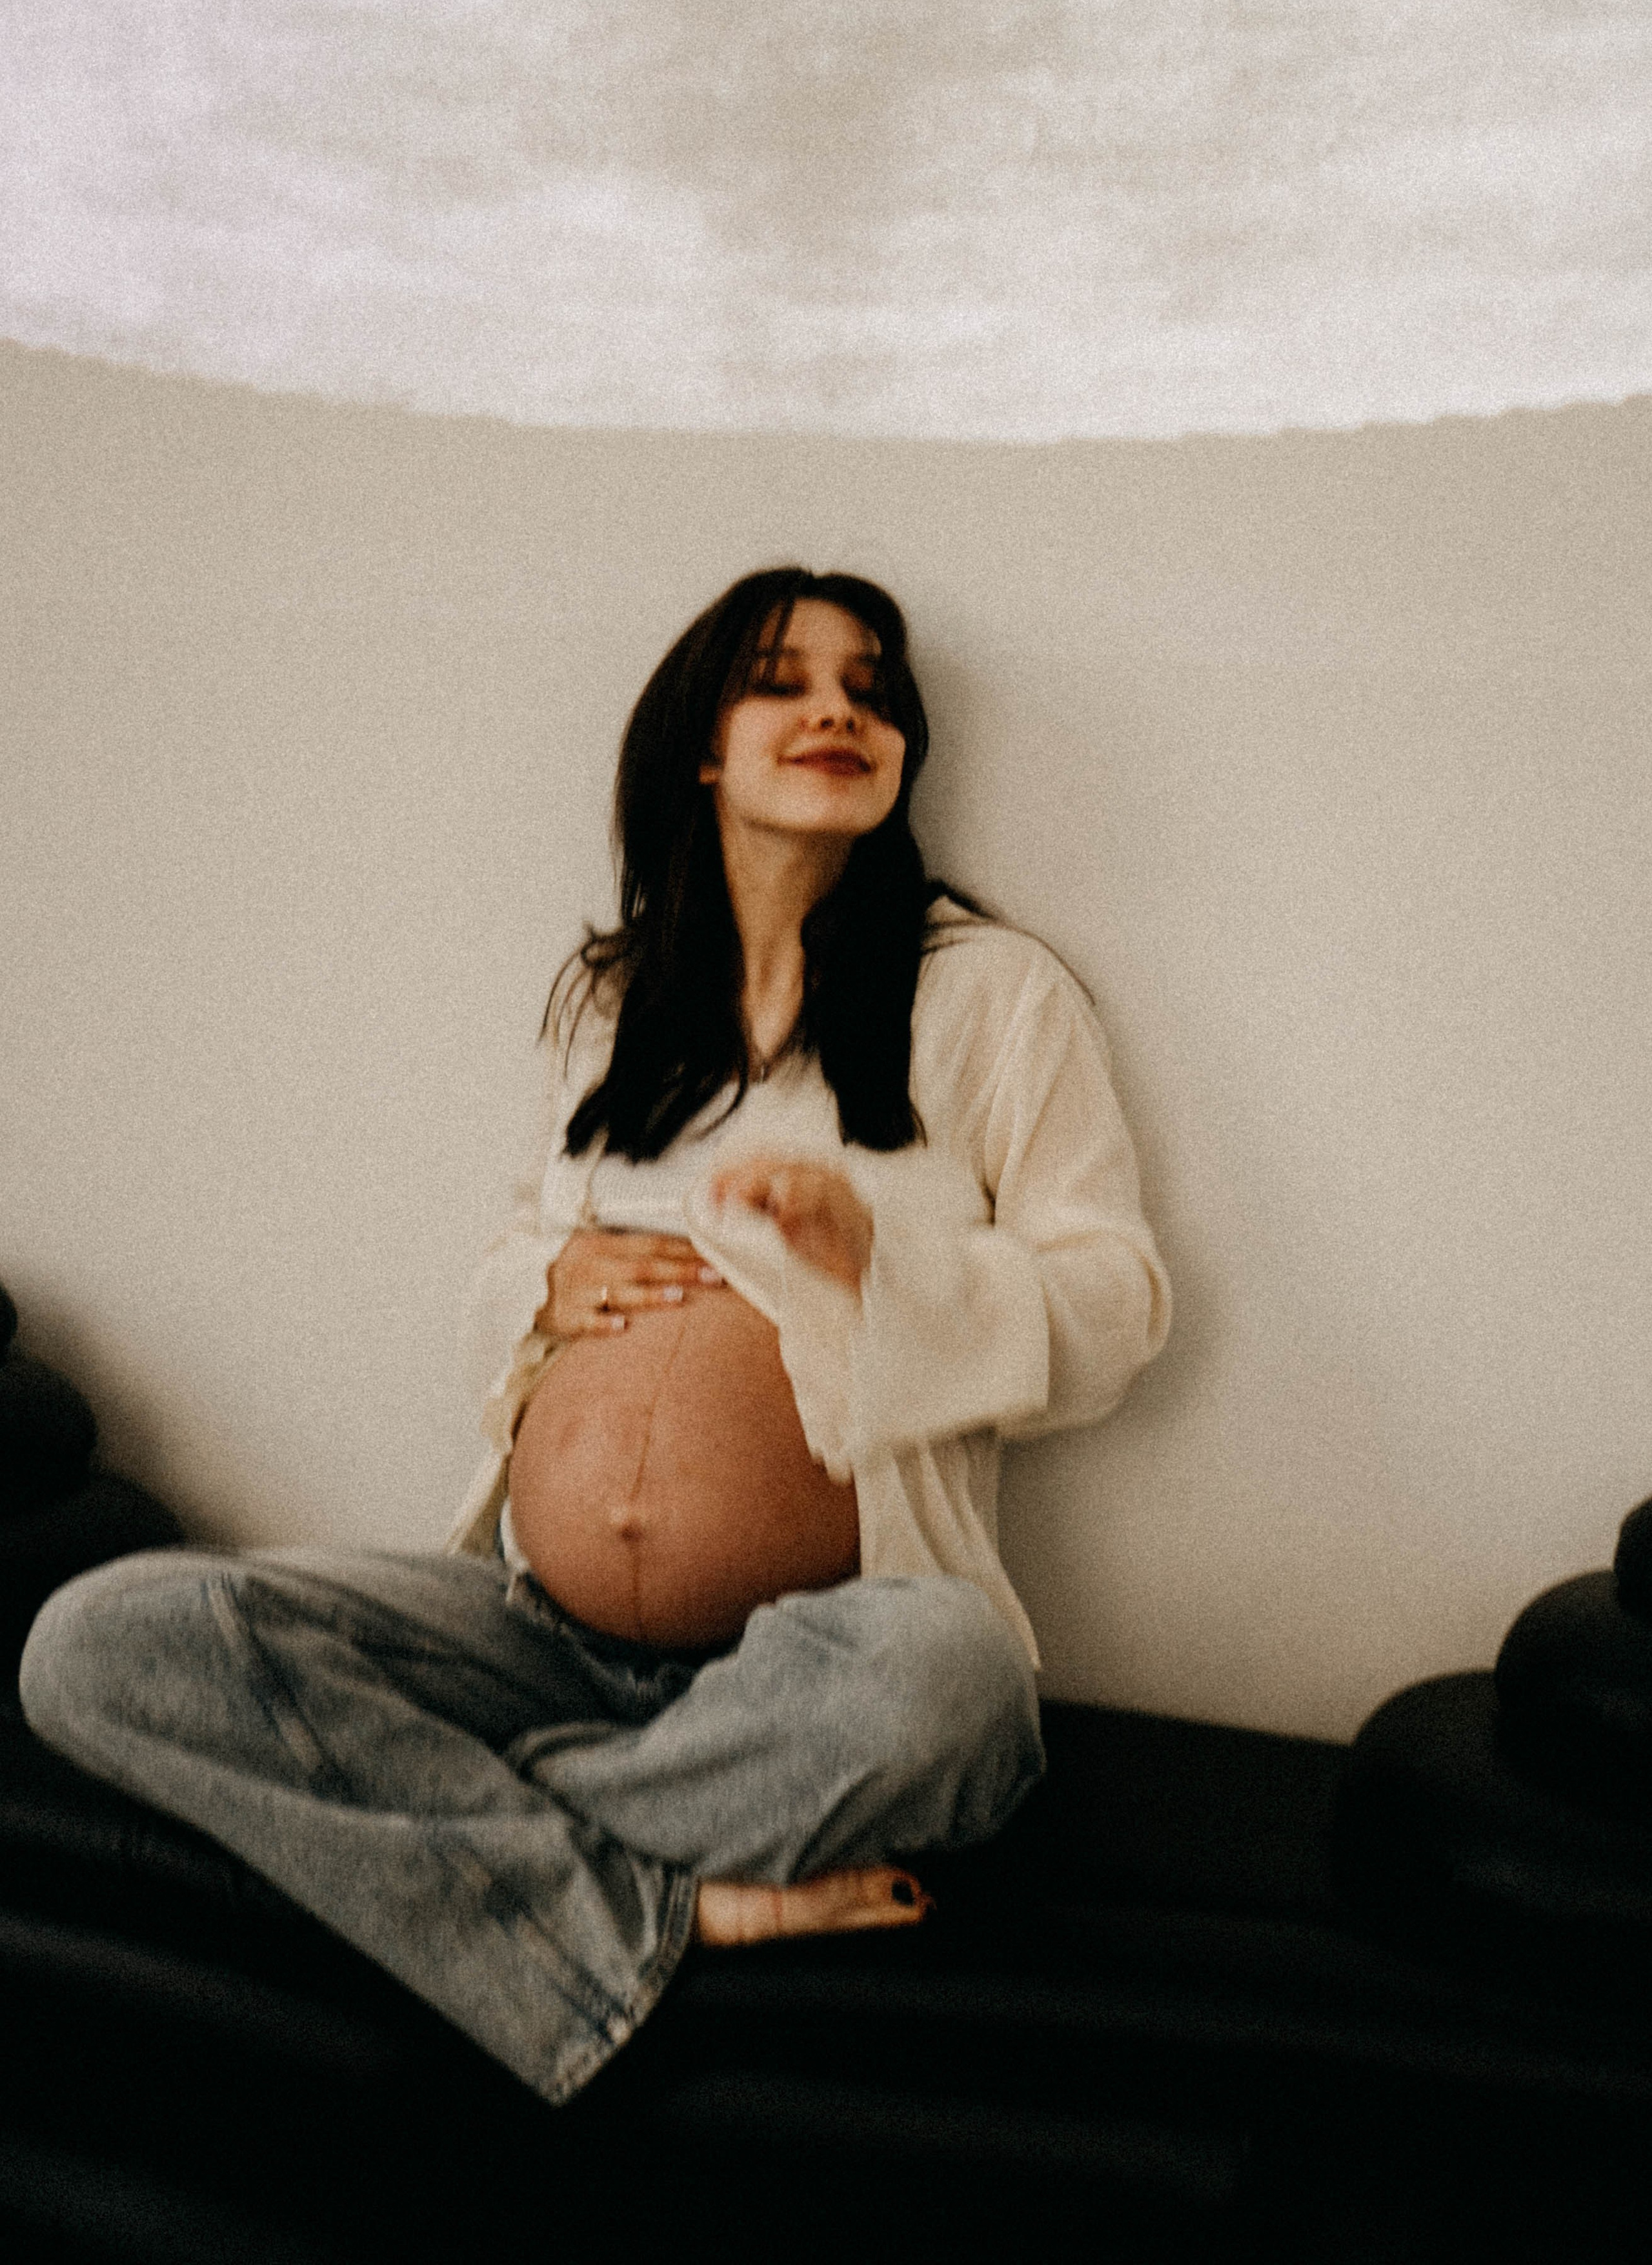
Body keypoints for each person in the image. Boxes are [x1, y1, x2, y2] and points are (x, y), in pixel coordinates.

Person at [20, 567, 1171, 2107]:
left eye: (872, 688)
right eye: (783, 679)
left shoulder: (991, 997)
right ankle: (658, 1904)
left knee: (951, 1691)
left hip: (825, 1652)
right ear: (700, 744)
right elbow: (521, 1250)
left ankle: (460, 1860)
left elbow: (1115, 1305)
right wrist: (542, 1287)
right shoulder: (618, 1002)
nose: (839, 708)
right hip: (535, 1641)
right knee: (99, 1645)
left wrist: (876, 1262)